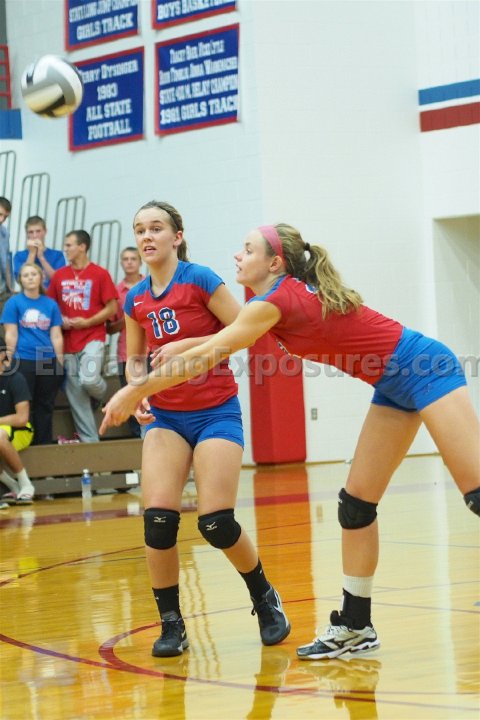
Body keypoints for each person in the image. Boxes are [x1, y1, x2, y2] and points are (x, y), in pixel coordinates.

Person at [100, 222, 480, 660]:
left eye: (247, 250)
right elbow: (215, 342)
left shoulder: (274, 301)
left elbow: (209, 355)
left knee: (475, 494)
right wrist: (180, 351)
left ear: (274, 263)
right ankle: (356, 626)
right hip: (393, 385)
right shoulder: (270, 301)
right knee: (355, 507)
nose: (238, 256)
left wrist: (133, 391)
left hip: (426, 368)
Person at [103, 200, 290, 658]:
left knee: (216, 523)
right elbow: (135, 358)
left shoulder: (200, 279)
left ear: (177, 236)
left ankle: (264, 596)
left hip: (215, 411)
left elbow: (247, 330)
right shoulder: (135, 298)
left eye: (156, 228)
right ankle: (171, 623)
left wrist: (189, 343)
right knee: (158, 522)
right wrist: (138, 389)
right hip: (166, 417)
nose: (147, 237)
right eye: (140, 230)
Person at [47, 230, 118, 443]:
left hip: (93, 337)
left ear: (82, 247)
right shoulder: (59, 276)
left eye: (69, 245)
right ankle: (90, 444)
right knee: (76, 396)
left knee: (89, 379)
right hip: (67, 342)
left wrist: (88, 322)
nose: (65, 249)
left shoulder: (100, 273)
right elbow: (50, 307)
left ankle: (102, 395)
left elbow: (112, 307)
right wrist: (60, 319)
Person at [1, 262, 64, 445]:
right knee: (24, 403)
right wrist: (8, 360)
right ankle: (26, 444)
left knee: (45, 405)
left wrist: (59, 362)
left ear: (41, 277)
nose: (30, 278)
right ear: (20, 280)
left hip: (47, 359)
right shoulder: (14, 303)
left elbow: (56, 335)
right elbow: (11, 334)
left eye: (34, 274)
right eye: (26, 275)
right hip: (23, 358)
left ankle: (43, 445)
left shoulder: (50, 304)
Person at [106, 246, 144, 438]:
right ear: (121, 263)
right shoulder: (116, 291)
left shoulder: (151, 284)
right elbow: (109, 328)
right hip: (126, 352)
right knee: (131, 396)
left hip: (154, 350)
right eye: (126, 259)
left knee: (156, 396)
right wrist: (126, 320)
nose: (129, 262)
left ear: (140, 262)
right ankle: (137, 438)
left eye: (133, 259)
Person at [0, 337, 35, 505]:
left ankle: (26, 484)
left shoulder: (15, 378)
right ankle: (12, 485)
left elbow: (22, 418)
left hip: (20, 429)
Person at [13, 215, 66, 290]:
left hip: (50, 295)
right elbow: (20, 280)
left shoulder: (57, 255)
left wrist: (41, 257)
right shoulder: (19, 256)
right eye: (31, 232)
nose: (35, 236)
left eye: (38, 231)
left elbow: (58, 280)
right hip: (28, 295)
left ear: (45, 231)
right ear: (27, 234)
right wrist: (32, 254)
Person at [0, 197, 14, 315]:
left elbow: (6, 260)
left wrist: (10, 286)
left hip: (2, 290)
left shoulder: (5, 232)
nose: (2, 219)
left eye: (5, 217)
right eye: (0, 214)